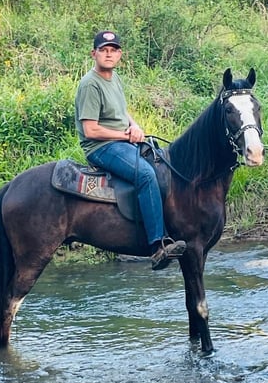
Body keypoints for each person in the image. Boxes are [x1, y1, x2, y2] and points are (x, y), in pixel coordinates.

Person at [75, 30, 186, 270]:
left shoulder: (114, 78)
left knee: (161, 164)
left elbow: (121, 112)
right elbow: (91, 130)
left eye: (113, 50)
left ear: (119, 55)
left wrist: (134, 125)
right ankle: (158, 245)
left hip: (121, 140)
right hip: (102, 147)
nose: (108, 54)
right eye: (103, 50)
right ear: (94, 53)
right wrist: (126, 135)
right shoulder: (90, 84)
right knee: (145, 175)